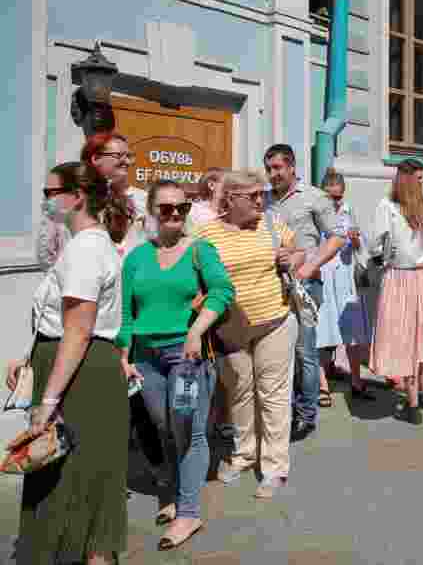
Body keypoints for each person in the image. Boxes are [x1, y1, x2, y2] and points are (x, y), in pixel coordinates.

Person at [10, 164, 127, 565]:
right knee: (89, 477)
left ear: (77, 196)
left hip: (80, 375)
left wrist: (47, 399)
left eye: (51, 191)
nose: (45, 199)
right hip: (82, 366)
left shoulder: (85, 248)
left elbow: (77, 329)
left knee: (68, 476)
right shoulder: (90, 244)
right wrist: (29, 359)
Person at [116, 180, 235, 549]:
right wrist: (124, 353)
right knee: (164, 426)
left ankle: (188, 513)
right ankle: (172, 493)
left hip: (187, 358)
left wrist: (196, 331)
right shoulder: (137, 257)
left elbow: (222, 291)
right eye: (165, 208)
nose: (173, 215)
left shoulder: (201, 251)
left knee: (191, 431)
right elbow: (126, 310)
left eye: (180, 208)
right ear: (152, 211)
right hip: (147, 358)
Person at [194, 170, 301, 499]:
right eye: (252, 195)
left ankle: (274, 467)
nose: (260, 200)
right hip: (229, 328)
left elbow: (299, 251)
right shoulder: (205, 234)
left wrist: (291, 258)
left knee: (273, 394)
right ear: (230, 199)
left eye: (262, 194)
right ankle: (244, 454)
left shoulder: (270, 224)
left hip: (275, 321)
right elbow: (195, 277)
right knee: (239, 392)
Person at [262, 144, 348, 442]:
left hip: (304, 284)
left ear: (292, 167)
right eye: (269, 169)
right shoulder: (264, 200)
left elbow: (338, 236)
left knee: (303, 353)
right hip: (270, 284)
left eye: (277, 168)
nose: (273, 174)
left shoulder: (314, 197)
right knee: (275, 353)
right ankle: (279, 412)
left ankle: (306, 414)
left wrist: (310, 265)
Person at [369, 159, 423, 425]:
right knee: (419, 333)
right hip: (421, 275)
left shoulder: (389, 206)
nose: (421, 183)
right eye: (418, 178)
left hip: (399, 275)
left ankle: (413, 403)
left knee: (404, 336)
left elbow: (374, 245)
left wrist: (386, 256)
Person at [315, 168, 373, 405]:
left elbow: (360, 247)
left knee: (351, 331)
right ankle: (322, 386)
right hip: (323, 276)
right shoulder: (316, 213)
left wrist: (357, 239)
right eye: (330, 196)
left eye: (338, 197)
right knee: (321, 331)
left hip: (345, 276)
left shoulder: (348, 211)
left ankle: (356, 381)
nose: (334, 202)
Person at [81, 132, 148, 256]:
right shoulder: (77, 198)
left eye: (129, 156)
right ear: (96, 158)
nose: (127, 162)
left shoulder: (143, 200)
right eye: (119, 155)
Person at [36, 162, 78, 269]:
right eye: (46, 193)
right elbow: (44, 256)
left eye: (49, 193)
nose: (45, 201)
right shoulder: (54, 219)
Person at [186, 167, 225, 231]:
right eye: (227, 183)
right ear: (211, 185)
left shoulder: (228, 211)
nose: (231, 187)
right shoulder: (194, 211)